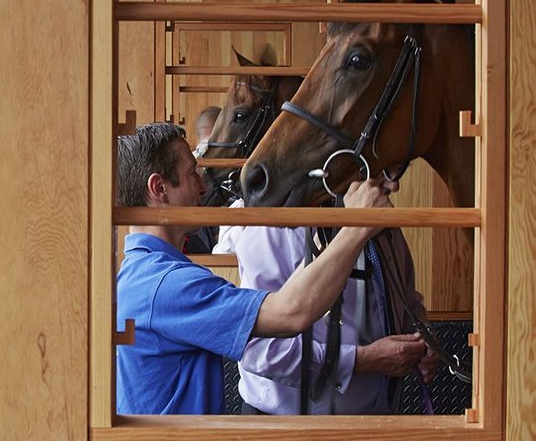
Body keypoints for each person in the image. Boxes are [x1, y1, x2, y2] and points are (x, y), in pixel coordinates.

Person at [115, 122, 399, 414]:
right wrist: (358, 224)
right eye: (191, 173)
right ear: (159, 188)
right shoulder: (167, 286)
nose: (202, 186)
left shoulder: (139, 274)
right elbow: (292, 312)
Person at [235, 225, 437, 415]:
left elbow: (407, 303)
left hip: (378, 422)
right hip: (286, 436)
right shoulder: (270, 230)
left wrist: (423, 339)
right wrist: (363, 361)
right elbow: (259, 351)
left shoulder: (384, 226)